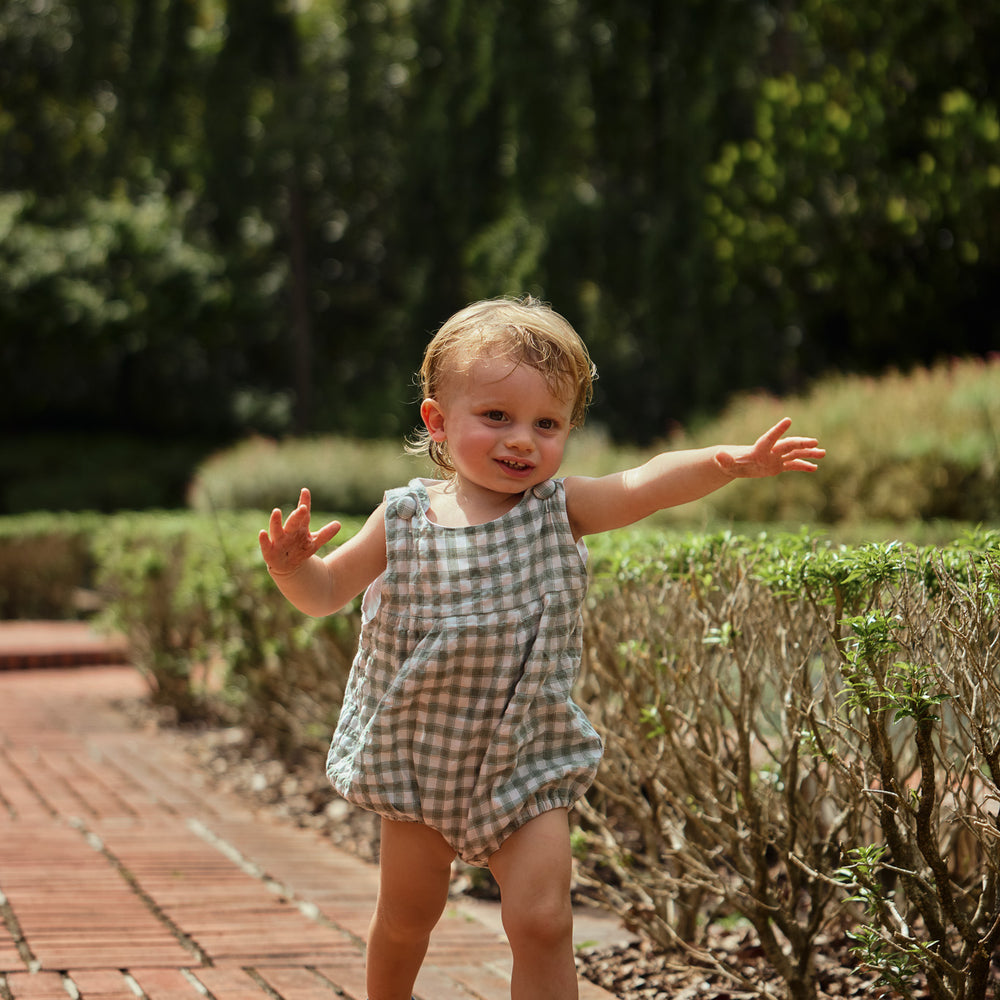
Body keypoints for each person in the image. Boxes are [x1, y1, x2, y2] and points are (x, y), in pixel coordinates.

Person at [258, 296, 825, 1000]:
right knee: (407, 920)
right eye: (497, 417)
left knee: (545, 921)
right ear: (437, 420)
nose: (522, 440)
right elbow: (325, 592)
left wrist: (726, 462)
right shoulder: (404, 517)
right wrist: (292, 567)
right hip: (420, 755)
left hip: (527, 756)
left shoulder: (561, 510)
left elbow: (643, 483)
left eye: (547, 424)